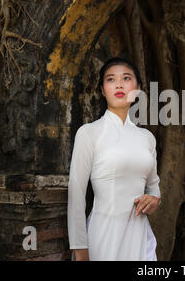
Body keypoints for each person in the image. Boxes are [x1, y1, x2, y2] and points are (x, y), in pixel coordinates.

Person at [67, 57, 162, 261]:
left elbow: (153, 186)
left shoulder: (147, 138)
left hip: (140, 237)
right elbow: (76, 195)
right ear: (102, 89)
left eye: (126, 78)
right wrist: (80, 250)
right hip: (104, 237)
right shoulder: (89, 133)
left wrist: (154, 200)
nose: (119, 84)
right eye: (111, 79)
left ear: (137, 87)